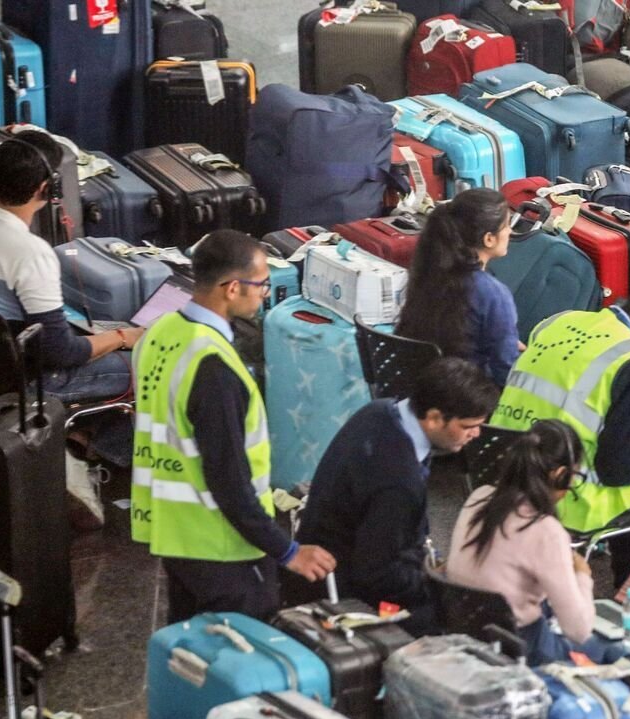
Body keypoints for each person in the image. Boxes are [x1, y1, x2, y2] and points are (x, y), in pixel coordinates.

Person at [131, 230, 336, 623]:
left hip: (173, 534)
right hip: (222, 543)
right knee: (241, 646)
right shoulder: (213, 368)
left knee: (189, 648)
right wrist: (287, 551)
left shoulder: (159, 333)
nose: (264, 294)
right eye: (261, 284)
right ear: (232, 288)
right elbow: (230, 479)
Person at [489, 283, 630, 581]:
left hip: (501, 468)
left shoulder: (560, 320)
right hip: (567, 492)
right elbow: (616, 471)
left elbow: (565, 391)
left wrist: (623, 419)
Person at [0, 130, 135, 403]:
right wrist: (123, 336)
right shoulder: (31, 253)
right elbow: (62, 353)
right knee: (153, 361)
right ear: (48, 187)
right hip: (36, 381)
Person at [296, 356, 501, 609]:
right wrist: (440, 589)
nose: (476, 434)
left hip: (327, 558)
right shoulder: (398, 482)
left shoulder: (378, 411)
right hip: (343, 591)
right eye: (468, 426)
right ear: (434, 418)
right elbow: (378, 575)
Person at [445, 419, 597, 664]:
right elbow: (579, 631)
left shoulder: (479, 497)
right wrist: (582, 575)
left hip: (465, 632)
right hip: (520, 648)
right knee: (611, 650)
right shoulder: (546, 531)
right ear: (560, 475)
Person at [394, 188, 521, 382]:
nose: (510, 231)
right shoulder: (494, 294)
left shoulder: (429, 273)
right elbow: (506, 370)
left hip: (419, 388)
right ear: (489, 239)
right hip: (466, 395)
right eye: (506, 226)